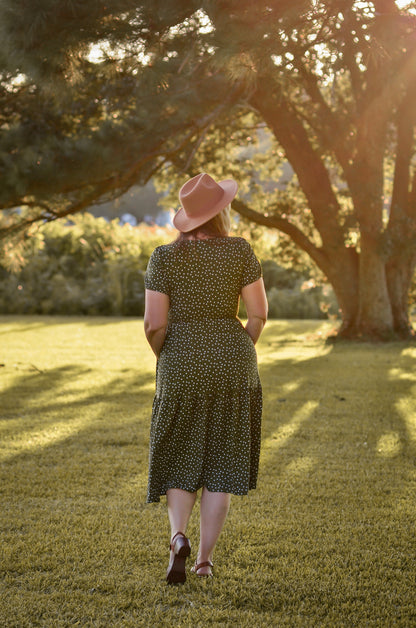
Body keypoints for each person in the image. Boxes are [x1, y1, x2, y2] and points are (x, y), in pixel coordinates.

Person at [144, 172, 268, 584]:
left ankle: (178, 537)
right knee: (222, 466)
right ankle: (204, 562)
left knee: (180, 457)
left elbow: (152, 325)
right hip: (234, 364)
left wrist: (171, 357)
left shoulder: (163, 257)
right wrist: (236, 349)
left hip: (180, 364)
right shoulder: (240, 251)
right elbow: (258, 314)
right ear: (221, 212)